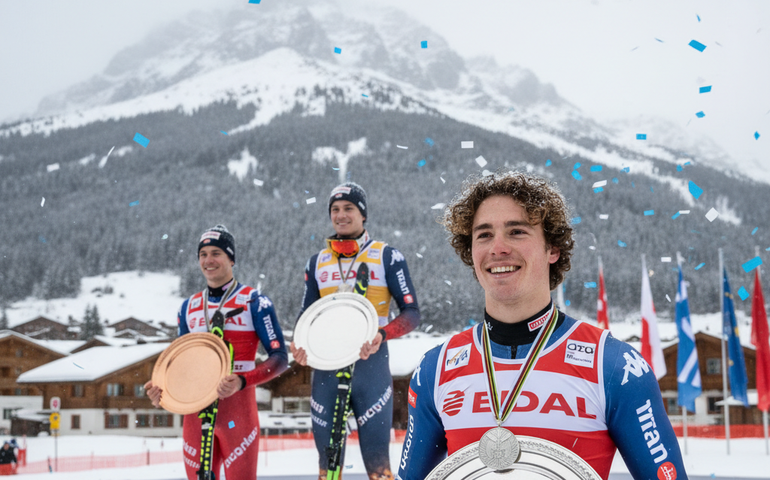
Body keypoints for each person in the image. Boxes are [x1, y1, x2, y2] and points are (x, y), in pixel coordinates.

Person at [397, 172, 687, 480]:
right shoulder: (436, 368)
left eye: (516, 231)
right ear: (470, 251)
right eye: (484, 235)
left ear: (553, 249)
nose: (498, 248)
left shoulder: (614, 366)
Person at [291, 182, 421, 480]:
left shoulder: (387, 256)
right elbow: (305, 317)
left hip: (370, 367)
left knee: (379, 468)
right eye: (335, 209)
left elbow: (412, 313)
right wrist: (298, 345)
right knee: (328, 469)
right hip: (326, 370)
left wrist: (382, 334)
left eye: (348, 208)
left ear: (363, 214)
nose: (341, 215)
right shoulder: (317, 262)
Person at [144, 225, 289, 480]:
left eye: (216, 253)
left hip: (238, 413)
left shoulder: (255, 301)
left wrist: (242, 381)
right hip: (196, 415)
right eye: (203, 254)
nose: (208, 260)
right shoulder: (188, 307)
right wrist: (162, 391)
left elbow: (280, 360)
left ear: (231, 259)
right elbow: (181, 366)